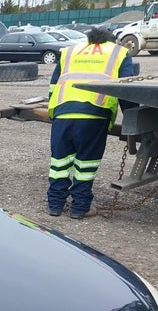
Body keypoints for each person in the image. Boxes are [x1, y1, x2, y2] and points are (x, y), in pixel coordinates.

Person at [46, 27, 135, 219]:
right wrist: (133, 118)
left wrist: (55, 112)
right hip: (94, 114)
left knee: (59, 162)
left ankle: (55, 205)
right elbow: (128, 89)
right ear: (111, 40)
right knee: (86, 163)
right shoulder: (118, 53)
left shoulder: (71, 51)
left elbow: (54, 85)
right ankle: (80, 208)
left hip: (63, 113)